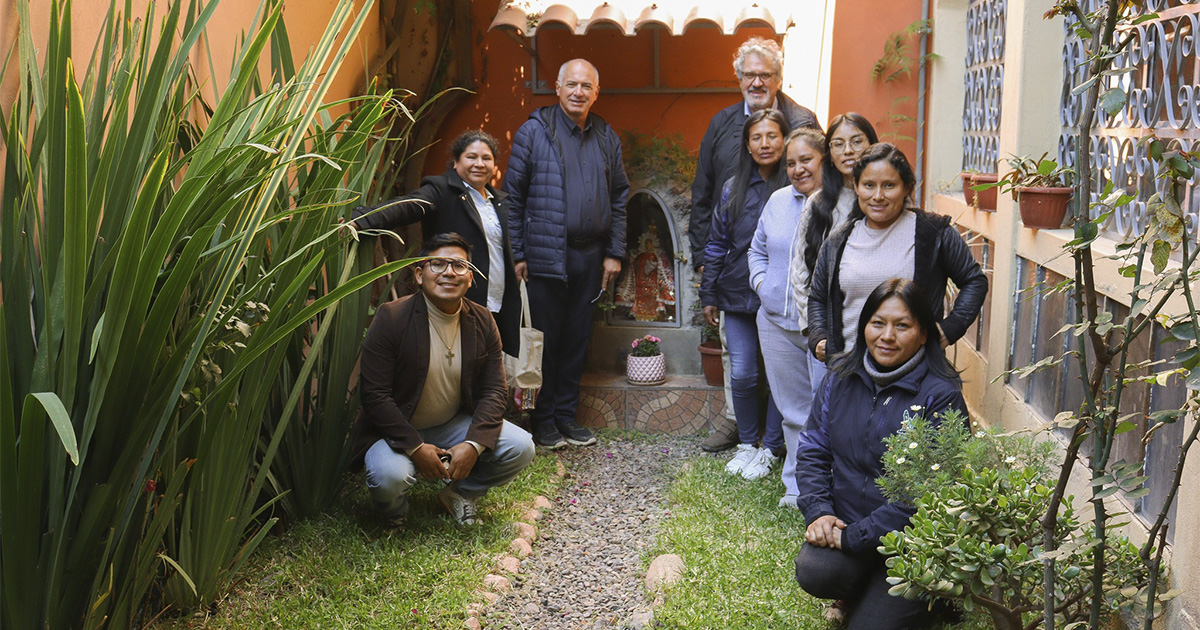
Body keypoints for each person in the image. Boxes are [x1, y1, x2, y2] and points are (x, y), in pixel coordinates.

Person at [794, 278, 968, 629]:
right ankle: (867, 590)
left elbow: (926, 494)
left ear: (923, 334)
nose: (887, 336)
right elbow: (813, 450)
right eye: (878, 323)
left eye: (902, 325)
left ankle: (933, 598)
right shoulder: (839, 377)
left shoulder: (941, 396)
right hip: (848, 525)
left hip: (910, 546)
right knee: (814, 570)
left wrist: (853, 538)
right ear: (864, 328)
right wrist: (819, 513)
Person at [689, 36, 822, 453]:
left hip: (787, 274)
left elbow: (820, 190)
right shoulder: (722, 123)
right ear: (739, 79)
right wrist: (703, 264)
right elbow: (703, 193)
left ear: (779, 78)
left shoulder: (803, 118)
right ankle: (740, 430)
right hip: (733, 268)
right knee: (741, 363)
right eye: (750, 74)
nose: (758, 81)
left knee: (782, 364)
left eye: (766, 74)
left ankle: (780, 440)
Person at [352, 233, 535, 527]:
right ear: (419, 274)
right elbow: (375, 395)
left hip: (451, 424)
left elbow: (494, 390)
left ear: (471, 278)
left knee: (521, 446)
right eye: (438, 264)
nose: (449, 272)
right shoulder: (392, 318)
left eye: (459, 266)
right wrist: (414, 447)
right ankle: (394, 512)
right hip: (394, 428)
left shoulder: (483, 320)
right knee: (390, 477)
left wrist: (474, 444)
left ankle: (459, 494)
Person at [503, 58, 629, 450]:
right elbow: (512, 198)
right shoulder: (533, 132)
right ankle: (541, 419)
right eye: (571, 84)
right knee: (545, 341)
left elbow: (621, 196)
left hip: (590, 257)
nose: (578, 92)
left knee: (576, 340)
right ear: (557, 88)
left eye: (586, 86)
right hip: (543, 257)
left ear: (596, 92)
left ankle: (565, 416)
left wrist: (615, 253)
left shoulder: (606, 135)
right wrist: (518, 253)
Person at [807, 143, 988, 363]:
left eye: (889, 185)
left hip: (915, 373)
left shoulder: (932, 234)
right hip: (851, 372)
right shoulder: (839, 240)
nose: (878, 196)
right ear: (856, 186)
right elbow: (817, 296)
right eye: (869, 185)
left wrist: (950, 328)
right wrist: (819, 336)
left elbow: (974, 280)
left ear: (907, 187)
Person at [351, 130, 521, 353]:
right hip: (457, 301)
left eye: (486, 158)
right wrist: (361, 220)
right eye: (471, 157)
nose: (479, 164)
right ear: (456, 161)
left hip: (497, 303)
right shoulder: (442, 189)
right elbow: (408, 206)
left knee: (487, 371)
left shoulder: (498, 201)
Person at [700, 109, 790, 481]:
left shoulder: (794, 188)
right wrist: (709, 292)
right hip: (736, 294)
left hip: (778, 296)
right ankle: (746, 444)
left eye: (772, 136)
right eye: (757, 137)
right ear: (748, 145)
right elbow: (717, 242)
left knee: (778, 376)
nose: (765, 143)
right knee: (743, 373)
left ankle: (770, 448)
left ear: (784, 140)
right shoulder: (732, 187)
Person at [747, 127, 825, 508]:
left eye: (806, 160)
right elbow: (756, 250)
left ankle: (827, 489)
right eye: (791, 162)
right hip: (777, 322)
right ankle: (796, 487)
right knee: (793, 411)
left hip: (824, 328)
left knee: (825, 408)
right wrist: (763, 285)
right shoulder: (777, 201)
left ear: (823, 160)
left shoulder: (841, 204)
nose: (797, 169)